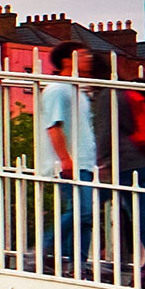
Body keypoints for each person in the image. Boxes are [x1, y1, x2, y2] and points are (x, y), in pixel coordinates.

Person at [37, 43, 104, 275]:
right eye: (84, 55)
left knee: (85, 216)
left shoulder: (78, 91)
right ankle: (43, 249)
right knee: (82, 212)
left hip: (84, 161)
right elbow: (54, 127)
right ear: (67, 60)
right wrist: (65, 159)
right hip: (68, 162)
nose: (89, 59)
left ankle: (77, 265)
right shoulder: (57, 90)